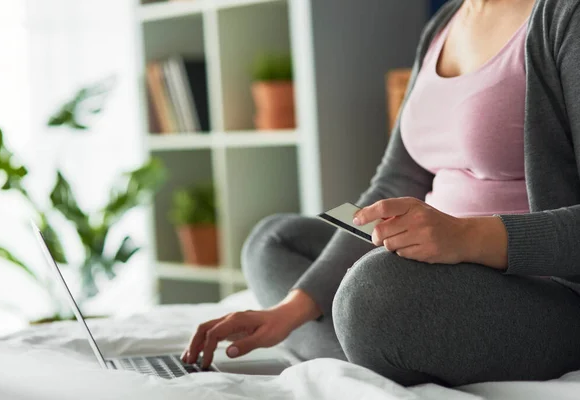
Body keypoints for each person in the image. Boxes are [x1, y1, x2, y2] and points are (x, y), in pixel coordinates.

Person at [183, 0, 580, 387]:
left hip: (546, 289)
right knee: (272, 239)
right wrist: (291, 310)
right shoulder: (445, 22)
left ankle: (366, 339)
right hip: (436, 267)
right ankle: (373, 345)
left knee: (373, 294)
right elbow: (392, 183)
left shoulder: (565, 15)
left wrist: (466, 236)